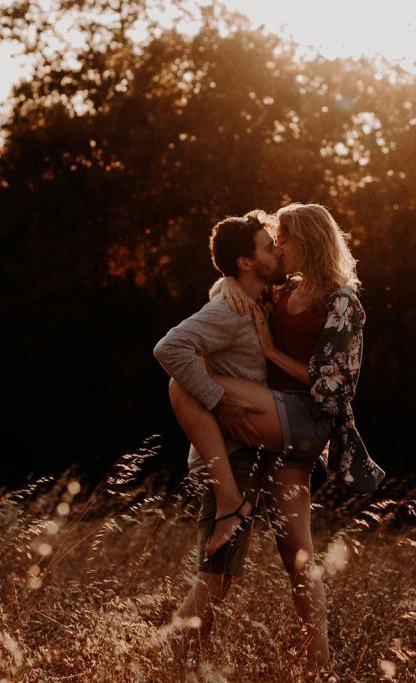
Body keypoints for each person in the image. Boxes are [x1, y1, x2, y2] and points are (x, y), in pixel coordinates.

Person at [157, 203, 384, 675]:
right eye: (273, 241)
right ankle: (319, 665)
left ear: (308, 242)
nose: (278, 247)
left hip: (304, 418)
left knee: (184, 385)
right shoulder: (287, 288)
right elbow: (242, 277)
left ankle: (231, 500)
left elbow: (332, 391)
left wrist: (269, 352)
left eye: (285, 240)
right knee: (296, 551)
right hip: (274, 421)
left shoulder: (341, 301)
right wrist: (224, 285)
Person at [153, 211, 286, 659]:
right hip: (225, 456)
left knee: (222, 575)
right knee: (216, 575)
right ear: (246, 262)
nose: (276, 252)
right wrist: (217, 399)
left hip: (245, 451)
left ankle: (184, 656)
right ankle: (168, 656)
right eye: (268, 247)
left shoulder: (252, 300)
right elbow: (169, 348)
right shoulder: (227, 310)